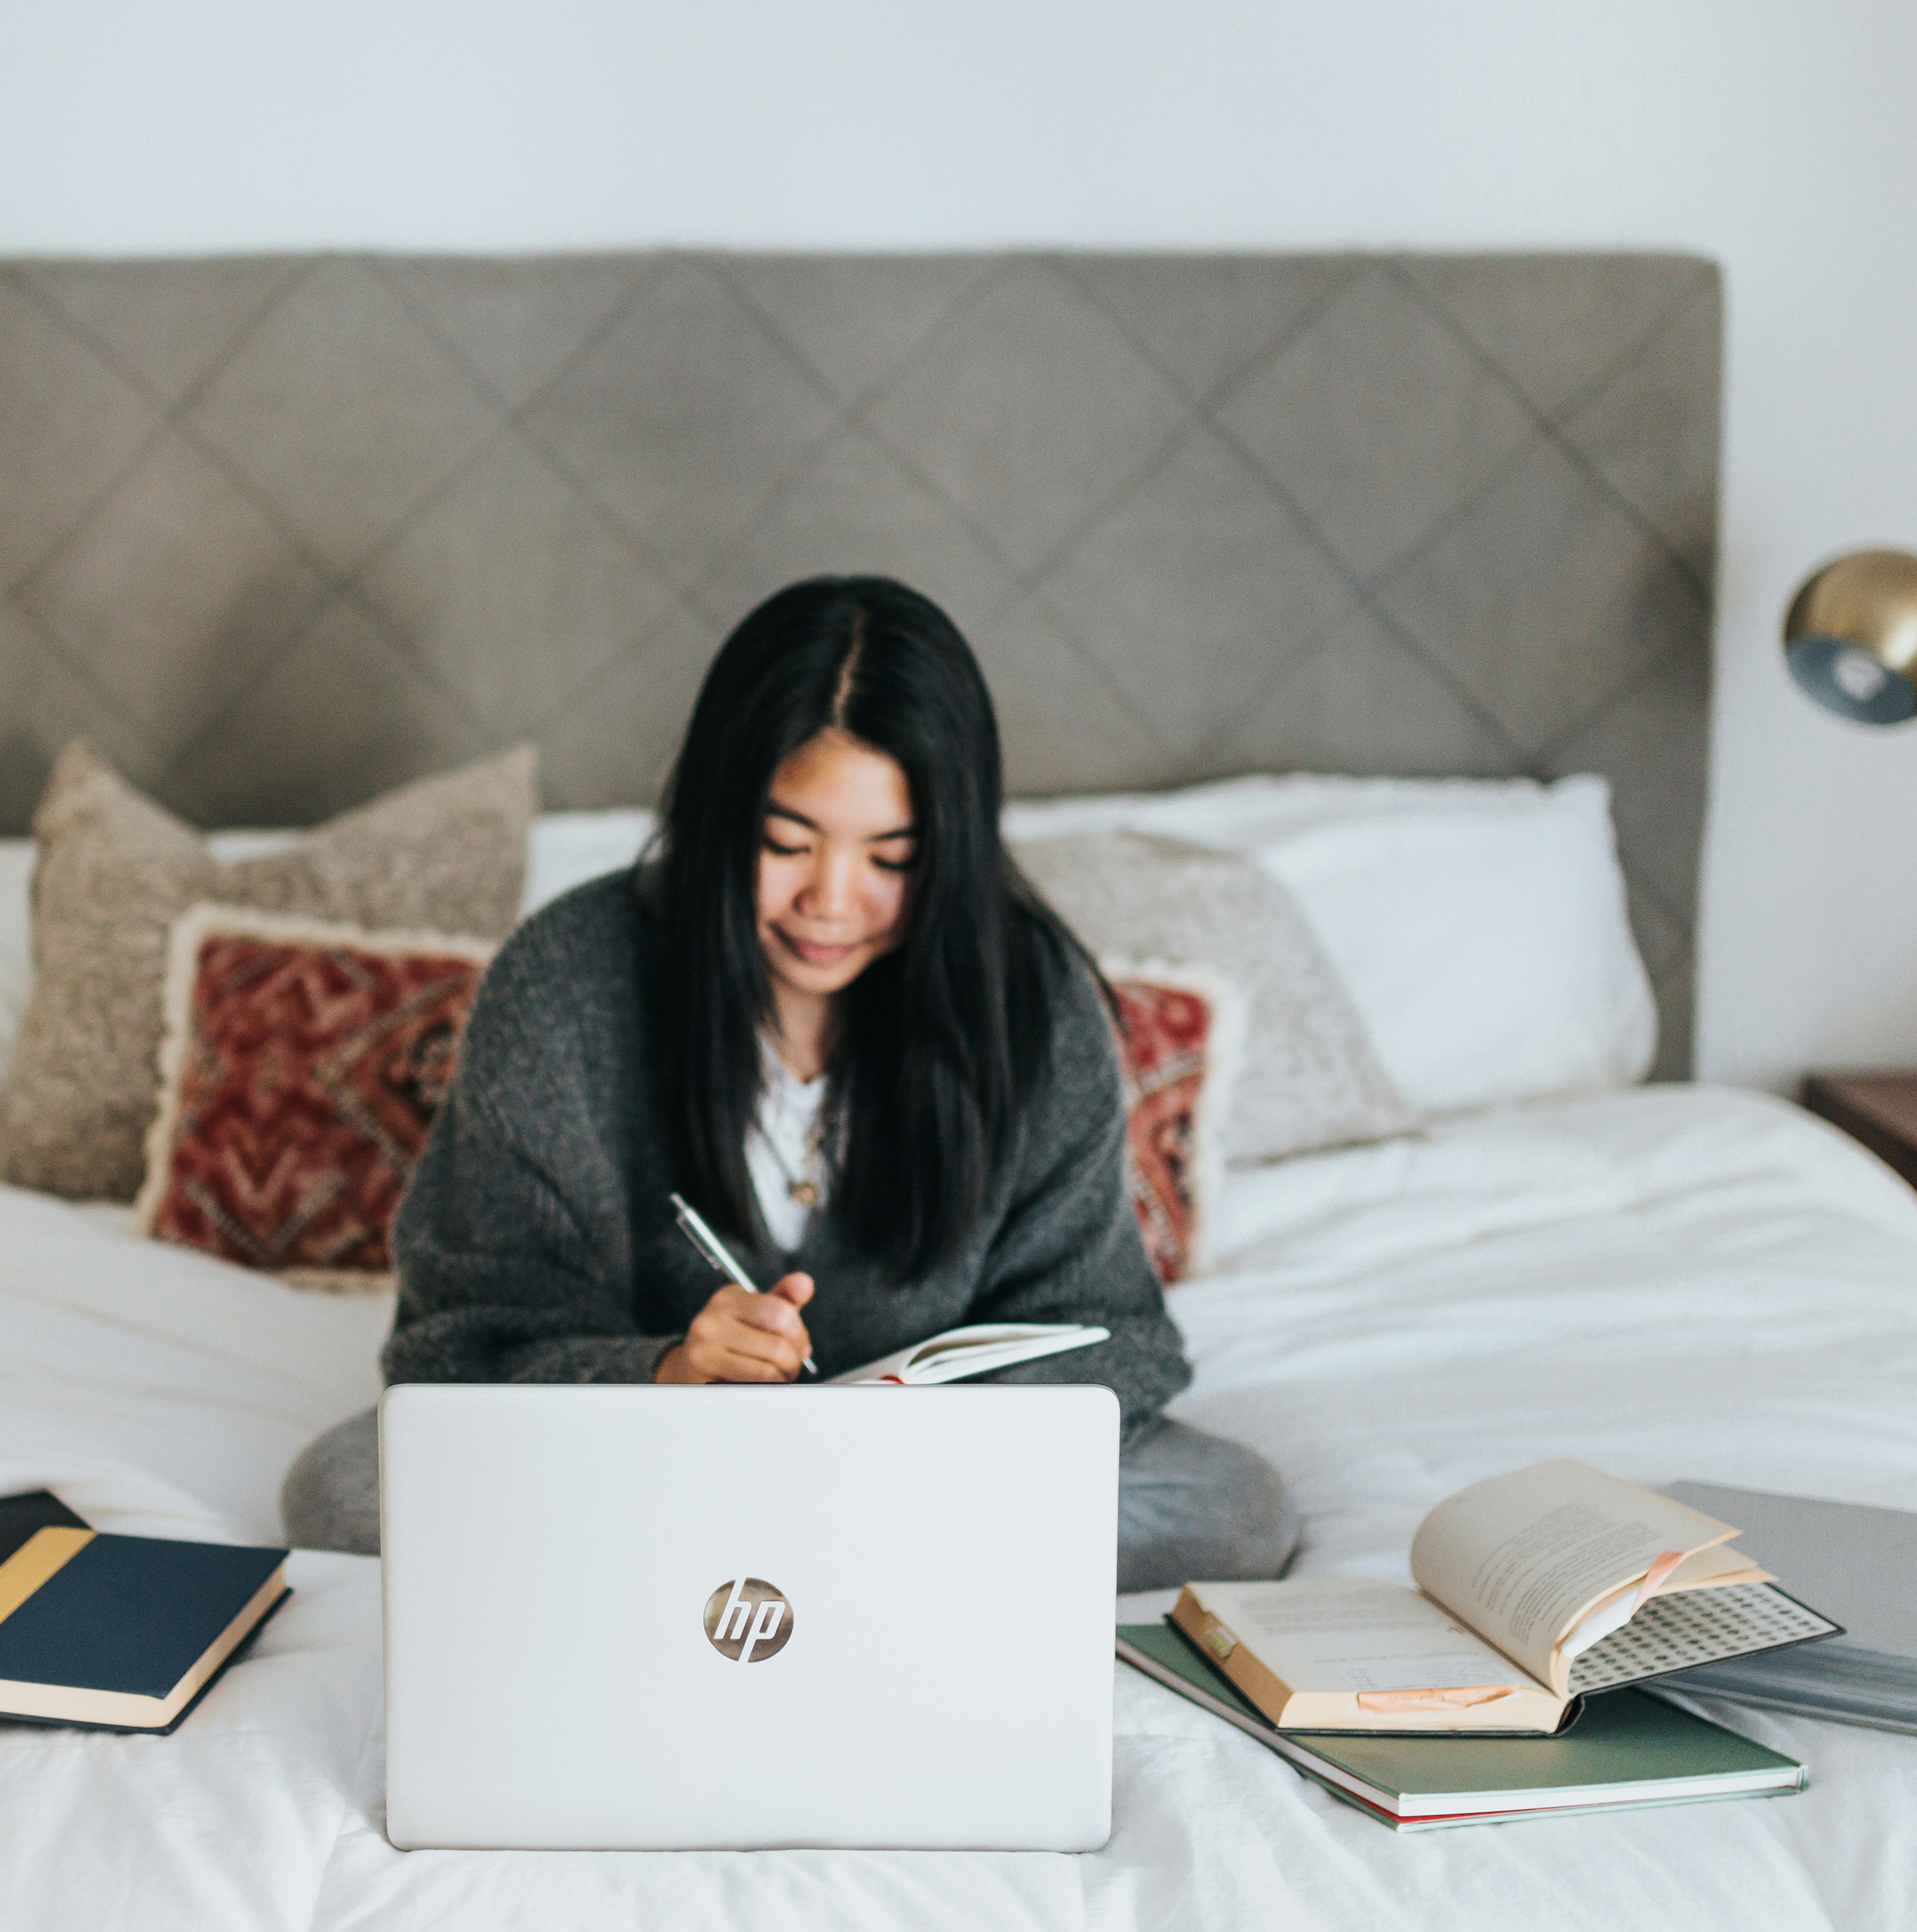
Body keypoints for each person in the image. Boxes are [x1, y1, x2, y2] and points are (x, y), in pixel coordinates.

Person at [279, 575, 1300, 1593]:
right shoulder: (566, 980)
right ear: (719, 817)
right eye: (785, 842)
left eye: (893, 857)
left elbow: (1111, 1334)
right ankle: (845, 1574)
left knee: (1234, 1507)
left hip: (923, 1476)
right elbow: (462, 1345)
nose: (832, 901)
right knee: (346, 1489)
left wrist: (922, 1431)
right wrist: (667, 1372)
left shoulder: (1029, 1003)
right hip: (643, 1453)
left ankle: (731, 1573)